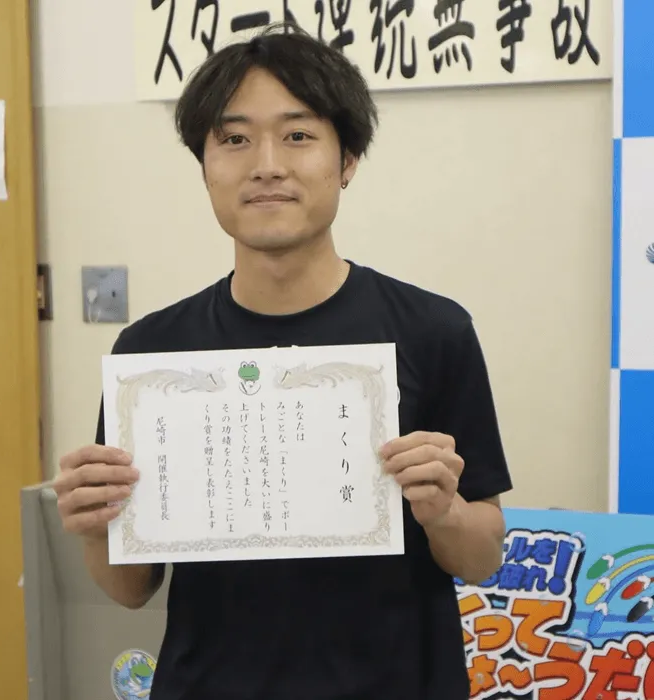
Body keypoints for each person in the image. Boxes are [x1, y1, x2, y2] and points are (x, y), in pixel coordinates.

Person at [53, 23, 512, 700]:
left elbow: (482, 558)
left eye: (298, 135)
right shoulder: (150, 355)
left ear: (347, 159)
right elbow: (131, 588)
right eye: (234, 139)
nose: (266, 164)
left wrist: (443, 512)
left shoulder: (433, 332)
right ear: (205, 166)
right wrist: (96, 529)